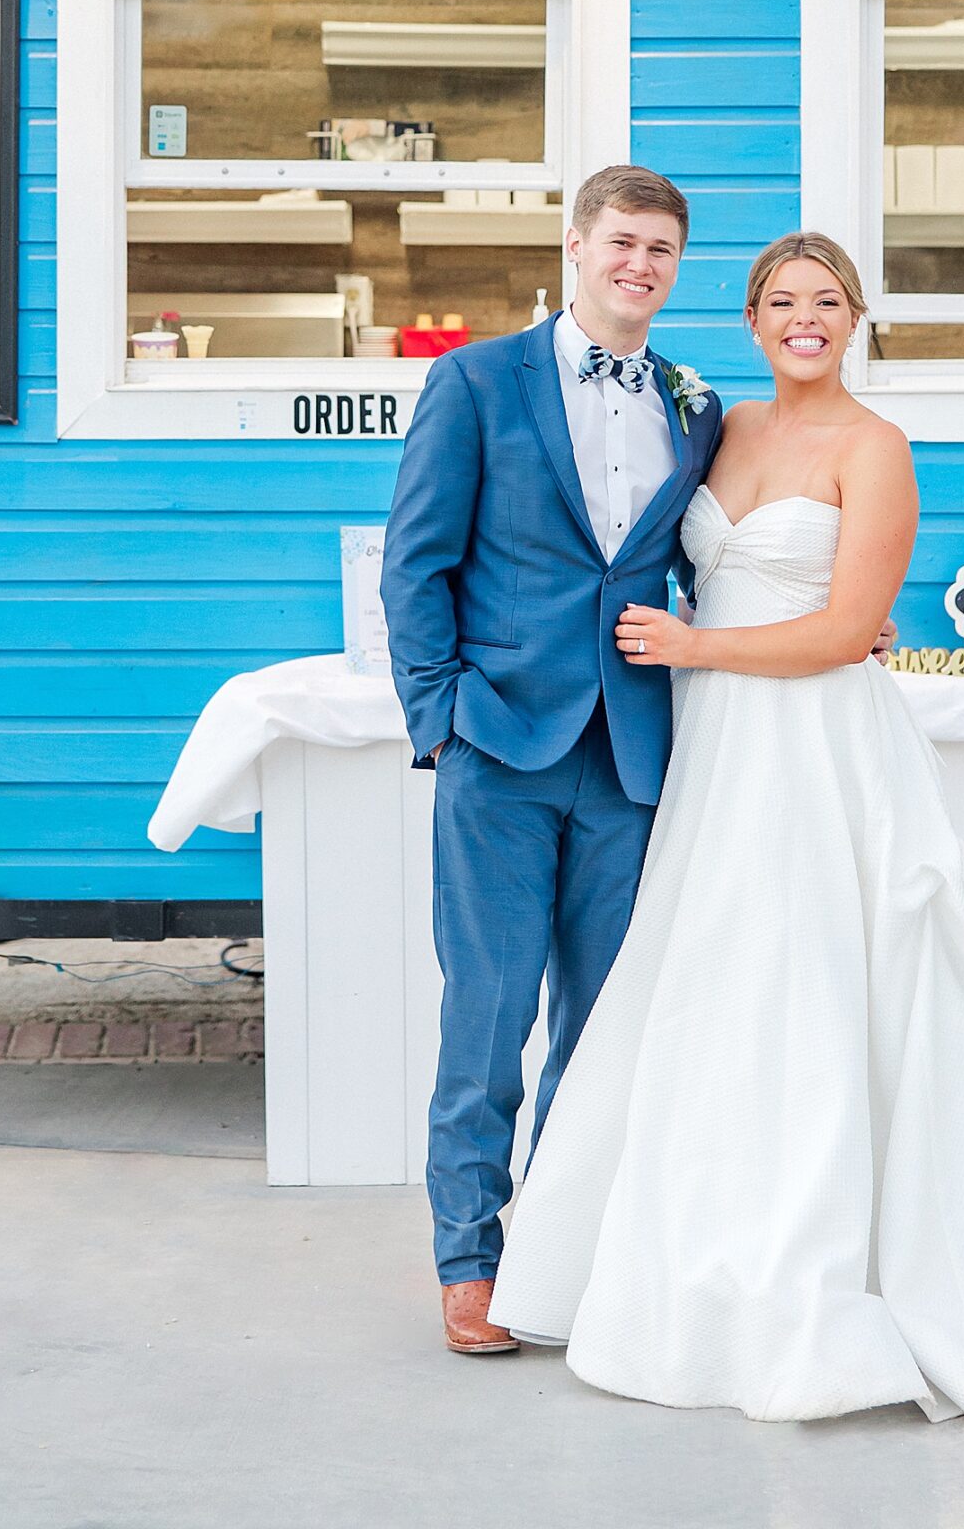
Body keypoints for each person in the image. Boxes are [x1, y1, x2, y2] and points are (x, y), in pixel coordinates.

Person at [488, 230, 964, 1424]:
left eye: (827, 302)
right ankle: (678, 1258)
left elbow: (848, 629)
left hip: (820, 746)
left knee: (829, 985)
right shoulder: (717, 429)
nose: (805, 319)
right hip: (718, 754)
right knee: (712, 984)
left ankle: (858, 1259)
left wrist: (699, 647)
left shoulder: (876, 446)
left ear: (856, 319)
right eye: (782, 301)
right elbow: (665, 554)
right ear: (751, 318)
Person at [381, 165, 723, 1356]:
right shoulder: (476, 380)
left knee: (600, 1020)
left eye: (663, 251)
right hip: (502, 745)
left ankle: (559, 1252)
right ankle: (467, 1261)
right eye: (622, 241)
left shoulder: (694, 406)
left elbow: (719, 556)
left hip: (633, 753)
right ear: (576, 245)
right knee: (487, 1009)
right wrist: (439, 717)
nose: (641, 264)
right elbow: (414, 564)